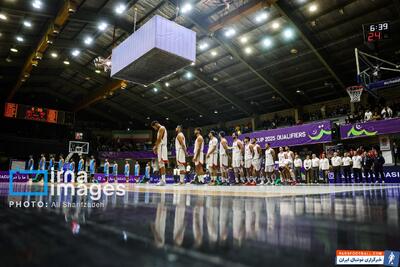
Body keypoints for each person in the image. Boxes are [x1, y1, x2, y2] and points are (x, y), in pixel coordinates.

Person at [151, 121, 168, 186]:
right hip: (160, 147)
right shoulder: (160, 129)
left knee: (161, 164)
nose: (154, 129)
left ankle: (163, 181)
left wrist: (155, 147)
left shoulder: (161, 128)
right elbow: (158, 140)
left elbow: (159, 139)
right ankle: (162, 180)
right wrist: (156, 147)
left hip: (162, 147)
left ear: (156, 124)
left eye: (154, 127)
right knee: (161, 164)